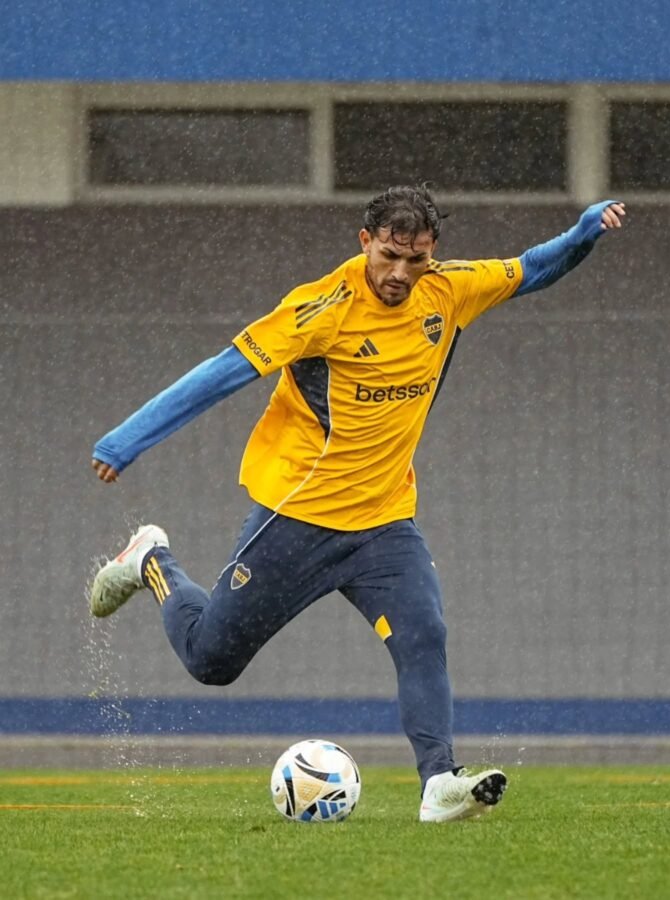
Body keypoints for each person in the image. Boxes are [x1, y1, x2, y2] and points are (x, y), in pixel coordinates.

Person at [90, 185, 626, 823]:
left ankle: (439, 784)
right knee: (211, 661)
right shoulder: (321, 308)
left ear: (433, 255)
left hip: (383, 524)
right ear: (365, 242)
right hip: (298, 516)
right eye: (390, 257)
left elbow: (532, 268)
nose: (401, 273)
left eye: (417, 259)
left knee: (424, 635)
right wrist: (127, 440)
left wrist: (584, 233)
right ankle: (152, 559)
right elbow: (221, 371)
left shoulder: (447, 292)